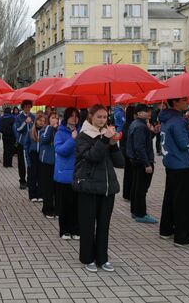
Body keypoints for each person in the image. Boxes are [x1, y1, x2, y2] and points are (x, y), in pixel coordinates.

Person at [74, 104, 124, 273]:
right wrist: (103, 140)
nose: (102, 120)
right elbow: (92, 156)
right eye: (99, 117)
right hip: (88, 186)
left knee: (104, 225)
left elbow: (120, 163)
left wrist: (113, 143)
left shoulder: (106, 134)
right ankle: (87, 258)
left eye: (104, 117)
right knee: (88, 225)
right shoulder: (83, 136)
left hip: (107, 188)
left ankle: (102, 258)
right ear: (91, 117)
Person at [159, 97, 189, 250]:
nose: (186, 102)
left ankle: (166, 229)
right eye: (183, 99)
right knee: (185, 204)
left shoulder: (167, 118)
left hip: (172, 163)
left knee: (171, 198)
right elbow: (184, 143)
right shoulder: (177, 121)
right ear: (176, 102)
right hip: (183, 165)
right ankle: (182, 237)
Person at [127, 104, 158, 223]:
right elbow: (140, 146)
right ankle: (140, 213)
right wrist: (147, 164)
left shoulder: (137, 124)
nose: (149, 112)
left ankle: (135, 211)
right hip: (142, 161)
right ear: (139, 113)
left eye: (149, 110)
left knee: (136, 186)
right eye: (146, 111)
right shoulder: (140, 126)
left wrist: (153, 132)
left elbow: (144, 141)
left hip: (136, 161)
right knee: (141, 188)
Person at [54, 107, 80, 240]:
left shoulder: (82, 131)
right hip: (64, 173)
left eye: (76, 115)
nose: (74, 118)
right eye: (71, 115)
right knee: (65, 204)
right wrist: (72, 140)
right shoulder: (60, 132)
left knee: (76, 204)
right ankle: (64, 230)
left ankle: (76, 230)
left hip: (78, 172)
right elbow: (60, 150)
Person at [39, 112, 58, 218]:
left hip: (57, 162)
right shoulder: (45, 129)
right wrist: (51, 127)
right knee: (48, 187)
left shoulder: (60, 130)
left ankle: (56, 208)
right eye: (53, 118)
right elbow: (45, 139)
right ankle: (47, 209)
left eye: (56, 118)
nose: (55, 119)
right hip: (47, 162)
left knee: (56, 188)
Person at [15, 100, 35, 190]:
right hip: (22, 143)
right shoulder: (19, 117)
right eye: (26, 107)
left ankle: (30, 180)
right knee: (22, 163)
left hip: (31, 143)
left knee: (30, 162)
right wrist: (25, 122)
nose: (27, 108)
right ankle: (22, 181)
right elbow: (18, 129)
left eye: (29, 107)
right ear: (23, 107)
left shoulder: (33, 116)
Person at [25, 113, 45, 202]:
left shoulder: (45, 132)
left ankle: (40, 194)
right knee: (32, 176)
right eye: (40, 120)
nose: (42, 122)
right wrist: (28, 159)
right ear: (36, 121)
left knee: (41, 176)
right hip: (33, 155)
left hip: (41, 156)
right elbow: (26, 145)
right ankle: (32, 195)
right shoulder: (30, 131)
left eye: (44, 121)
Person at [120, 106, 135, 201]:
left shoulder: (128, 124)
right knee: (130, 174)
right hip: (129, 152)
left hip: (127, 151)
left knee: (129, 174)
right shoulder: (128, 125)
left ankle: (127, 194)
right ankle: (128, 194)